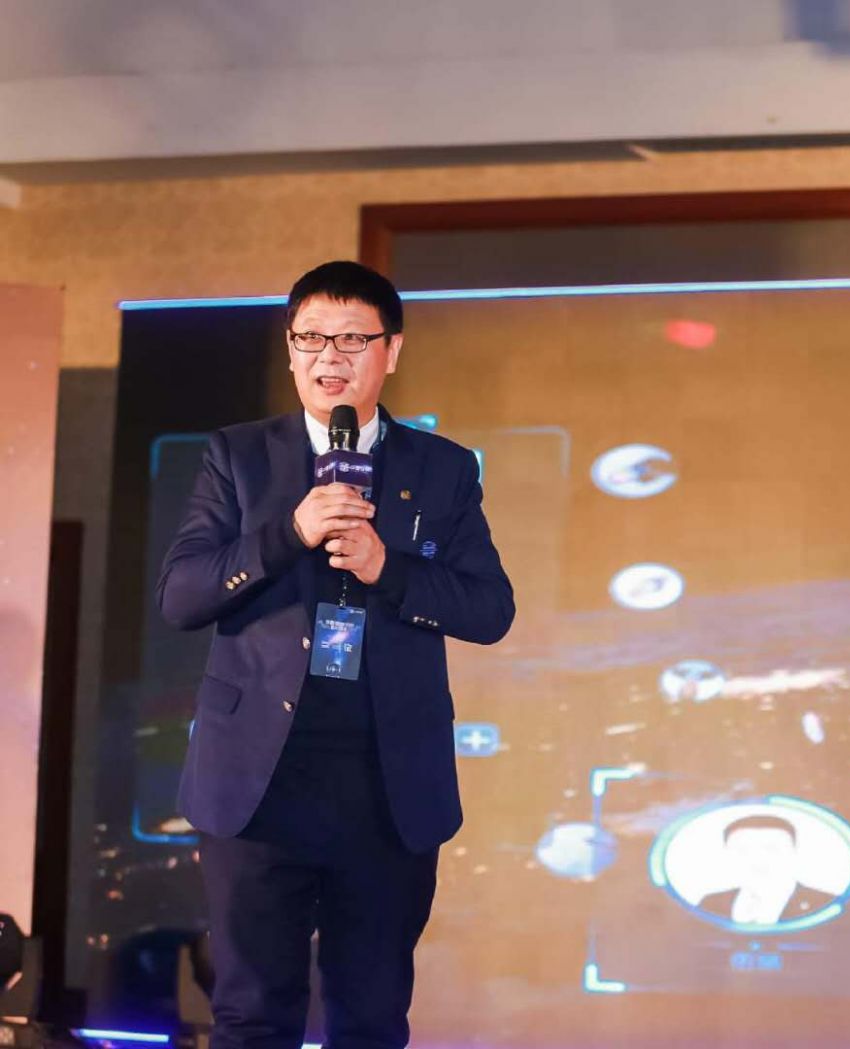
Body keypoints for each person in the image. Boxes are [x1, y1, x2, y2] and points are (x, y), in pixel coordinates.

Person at [157, 261, 515, 1049]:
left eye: (353, 338)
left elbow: (491, 610)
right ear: (290, 350)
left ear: (392, 350)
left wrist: (390, 569)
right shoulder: (239, 456)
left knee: (372, 1018)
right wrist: (289, 532)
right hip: (259, 782)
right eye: (312, 337)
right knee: (252, 1015)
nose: (330, 356)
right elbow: (181, 596)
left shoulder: (443, 468)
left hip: (386, 786)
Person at [695, 814, 835, 926]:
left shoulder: (826, 905)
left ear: (794, 852)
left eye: (771, 849)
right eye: (742, 850)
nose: (757, 860)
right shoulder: (711, 904)